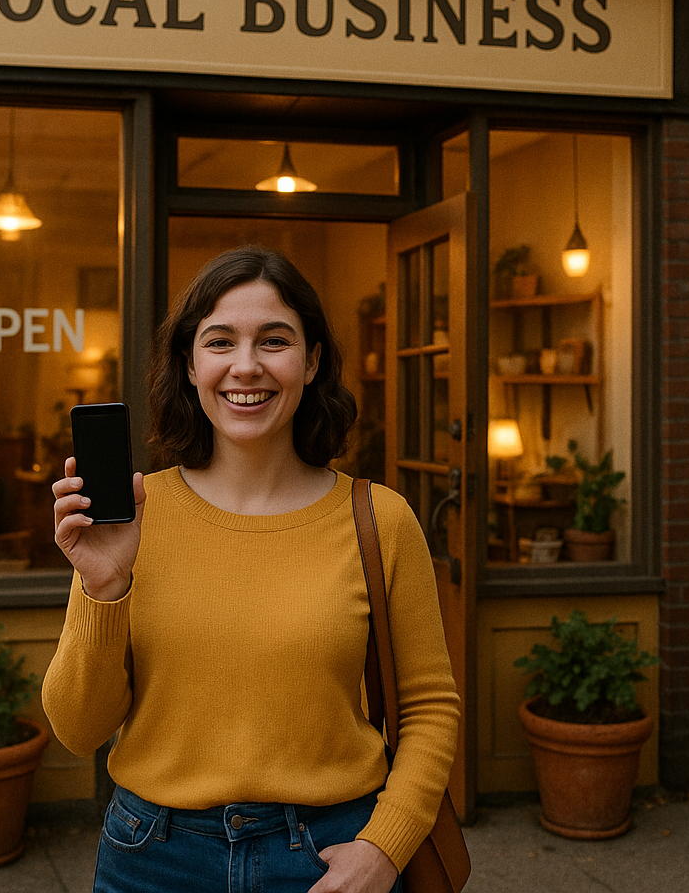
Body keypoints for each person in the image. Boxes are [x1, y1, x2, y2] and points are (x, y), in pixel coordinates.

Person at [44, 246, 459, 893]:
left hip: (330, 856)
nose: (246, 366)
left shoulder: (380, 519)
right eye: (219, 341)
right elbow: (77, 730)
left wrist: (385, 847)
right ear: (189, 363)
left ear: (312, 360)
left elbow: (430, 707)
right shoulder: (133, 519)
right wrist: (104, 587)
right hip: (151, 859)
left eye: (274, 341)